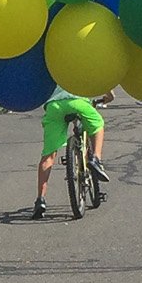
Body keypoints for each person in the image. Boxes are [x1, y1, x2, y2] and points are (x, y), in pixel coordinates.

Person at [33, 84, 110, 218]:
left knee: (48, 156)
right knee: (98, 124)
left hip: (54, 105)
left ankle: (41, 199)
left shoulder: (52, 64)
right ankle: (96, 159)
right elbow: (100, 77)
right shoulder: (80, 64)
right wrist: (109, 96)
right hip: (78, 101)